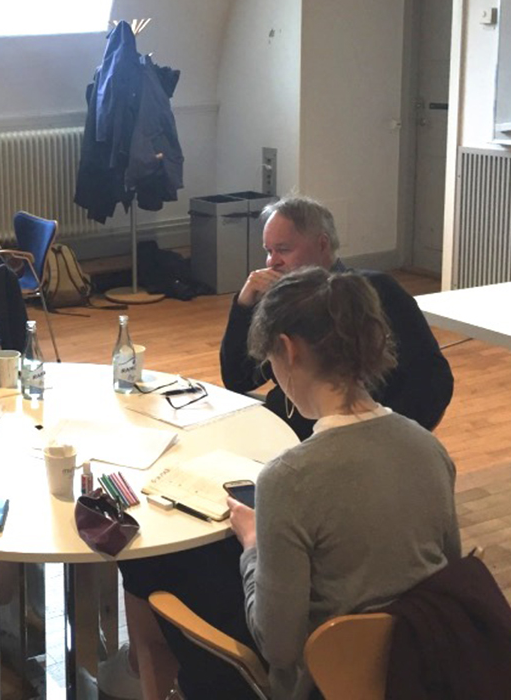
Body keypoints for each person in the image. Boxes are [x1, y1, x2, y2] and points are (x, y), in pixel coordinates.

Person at [160, 268, 460, 699]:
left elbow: (278, 647)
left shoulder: (287, 480)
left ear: (287, 349)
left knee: (168, 576)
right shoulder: (429, 450)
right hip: (417, 673)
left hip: (321, 685)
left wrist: (253, 546)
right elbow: (448, 577)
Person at [221, 195, 453, 441]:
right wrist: (244, 305)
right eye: (269, 251)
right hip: (295, 428)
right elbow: (238, 379)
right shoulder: (282, 300)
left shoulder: (375, 292)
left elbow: (432, 382)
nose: (272, 261)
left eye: (284, 250)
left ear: (322, 244)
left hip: (354, 435)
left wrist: (382, 438)